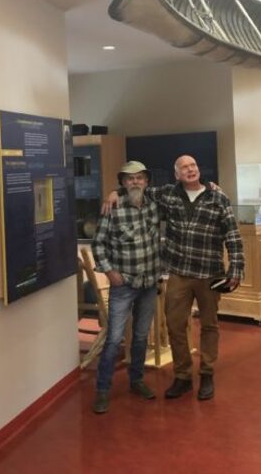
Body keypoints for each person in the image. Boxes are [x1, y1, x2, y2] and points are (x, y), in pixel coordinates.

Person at [108, 155, 244, 400]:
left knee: (209, 325)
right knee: (175, 325)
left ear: (198, 169)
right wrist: (115, 192)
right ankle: (182, 376)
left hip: (209, 273)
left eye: (193, 165)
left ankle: (206, 373)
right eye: (184, 167)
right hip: (179, 273)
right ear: (176, 175)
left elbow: (232, 235)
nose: (190, 170)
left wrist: (236, 269)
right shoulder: (167, 194)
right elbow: (139, 187)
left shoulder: (218, 197)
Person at [90, 160, 161, 414]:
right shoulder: (114, 208)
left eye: (140, 177)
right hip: (124, 284)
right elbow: (98, 244)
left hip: (149, 283)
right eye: (129, 178)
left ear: (147, 181)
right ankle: (102, 390)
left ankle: (136, 380)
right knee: (115, 339)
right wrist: (109, 271)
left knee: (141, 336)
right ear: (121, 182)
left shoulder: (154, 205)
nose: (135, 182)